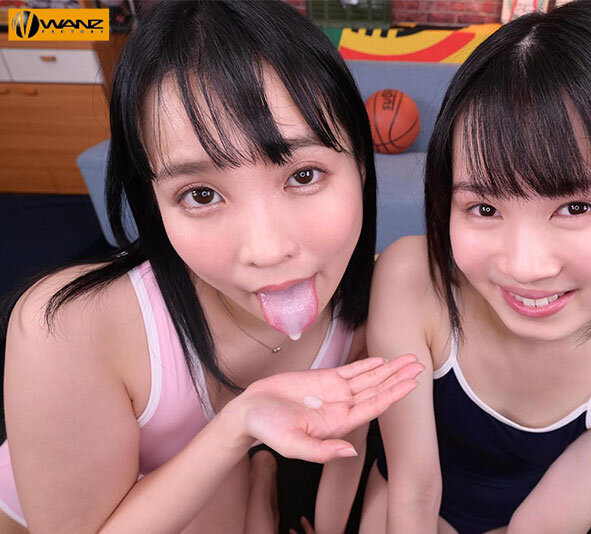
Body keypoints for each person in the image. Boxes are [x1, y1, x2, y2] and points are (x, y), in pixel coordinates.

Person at [0, 2, 423, 533]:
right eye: (201, 194)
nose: (266, 250)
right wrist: (236, 427)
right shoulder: (69, 329)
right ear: (153, 201)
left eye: (303, 175)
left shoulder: (374, 304)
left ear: (361, 165)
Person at [359, 1, 591, 532]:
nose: (524, 267)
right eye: (484, 208)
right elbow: (413, 490)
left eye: (576, 207)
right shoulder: (411, 277)